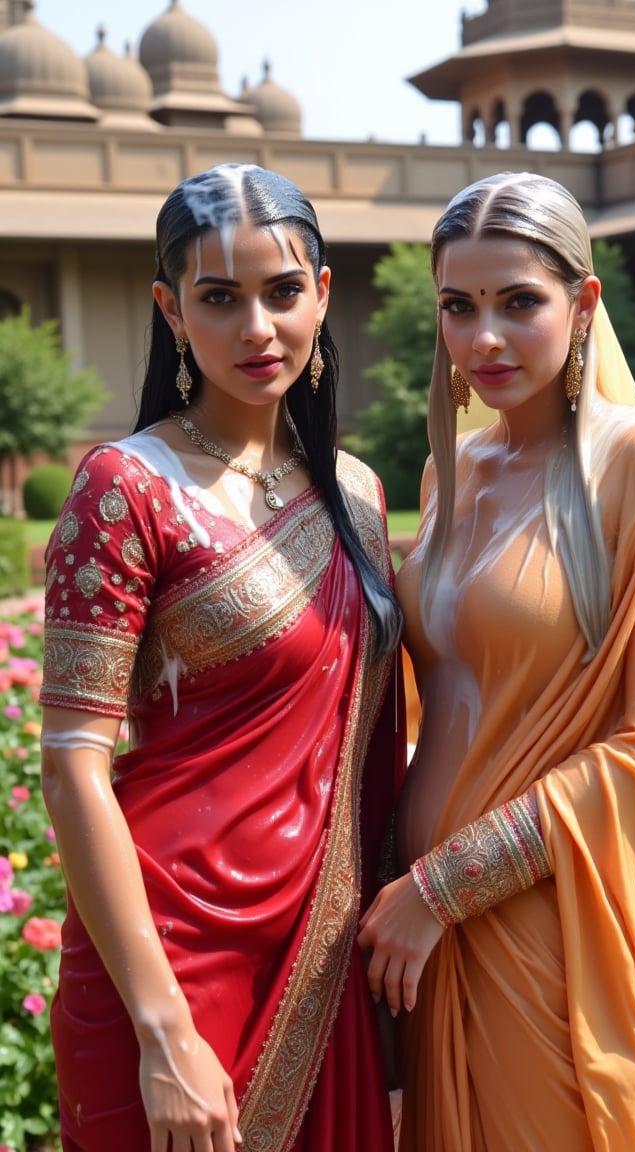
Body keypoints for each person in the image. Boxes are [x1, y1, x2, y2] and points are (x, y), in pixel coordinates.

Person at [358, 171, 635, 1151]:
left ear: (584, 303)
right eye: (459, 305)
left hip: (557, 932)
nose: (484, 337)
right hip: (425, 942)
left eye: (519, 302)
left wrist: (444, 887)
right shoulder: (452, 472)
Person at [39, 161, 405, 1152]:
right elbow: (73, 763)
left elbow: (375, 758)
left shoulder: (359, 498)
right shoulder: (124, 491)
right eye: (219, 297)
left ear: (322, 293)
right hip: (160, 970)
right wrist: (163, 1033)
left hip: (322, 957)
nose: (257, 328)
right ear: (170, 309)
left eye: (284, 292)